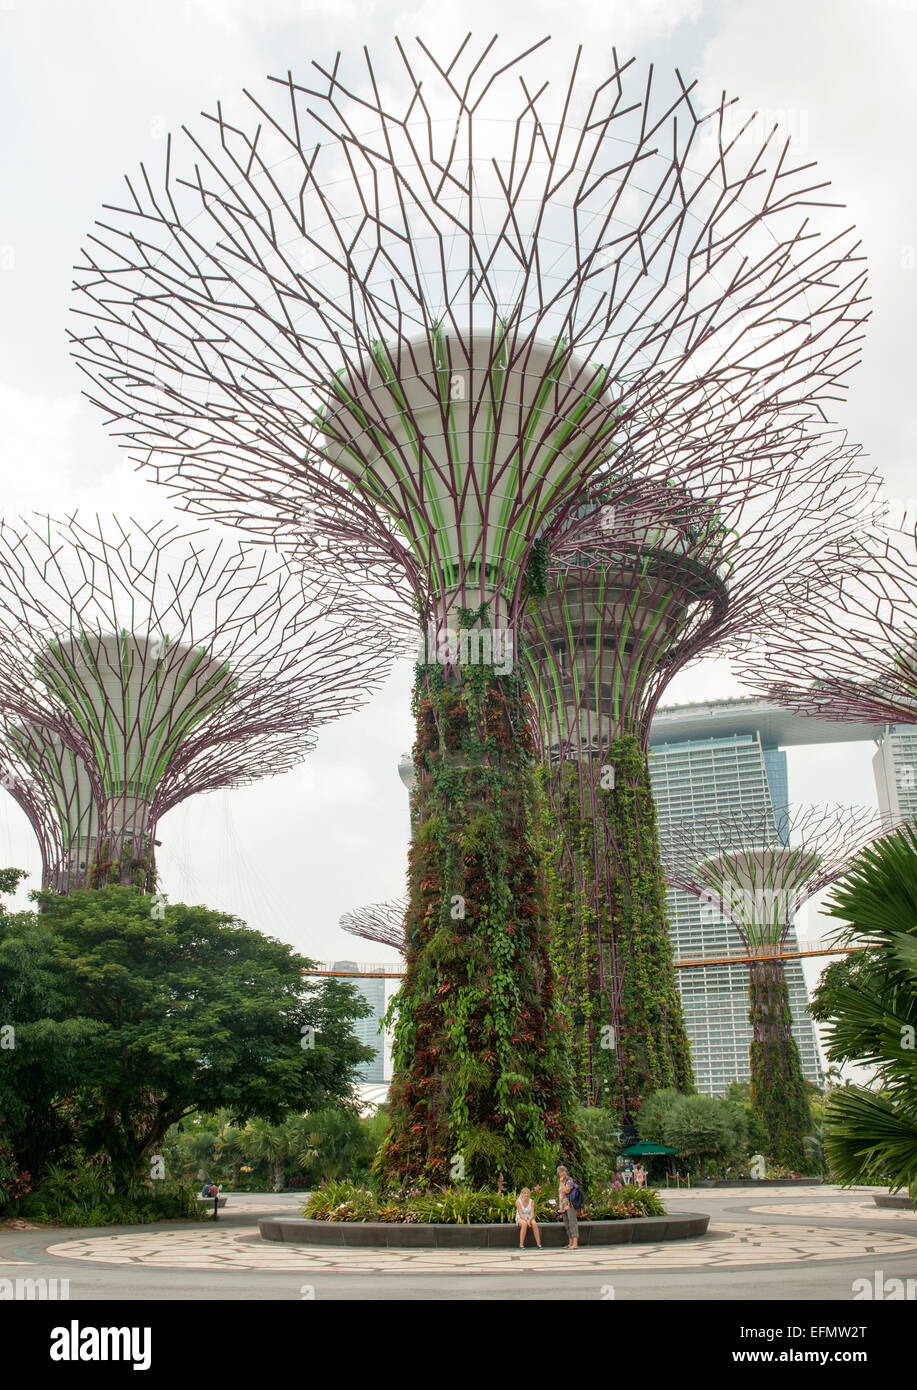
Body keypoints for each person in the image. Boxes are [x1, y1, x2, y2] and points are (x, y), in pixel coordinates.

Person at [557, 1165, 579, 1251]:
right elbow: (561, 1195)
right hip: (563, 1206)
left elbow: (567, 1190)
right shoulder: (561, 1181)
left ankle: (575, 1243)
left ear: (566, 1172)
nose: (561, 1174)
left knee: (572, 1223)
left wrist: (562, 1183)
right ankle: (570, 1242)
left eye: (563, 1172)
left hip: (570, 1205)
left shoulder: (569, 1181)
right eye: (560, 1172)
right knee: (567, 1224)